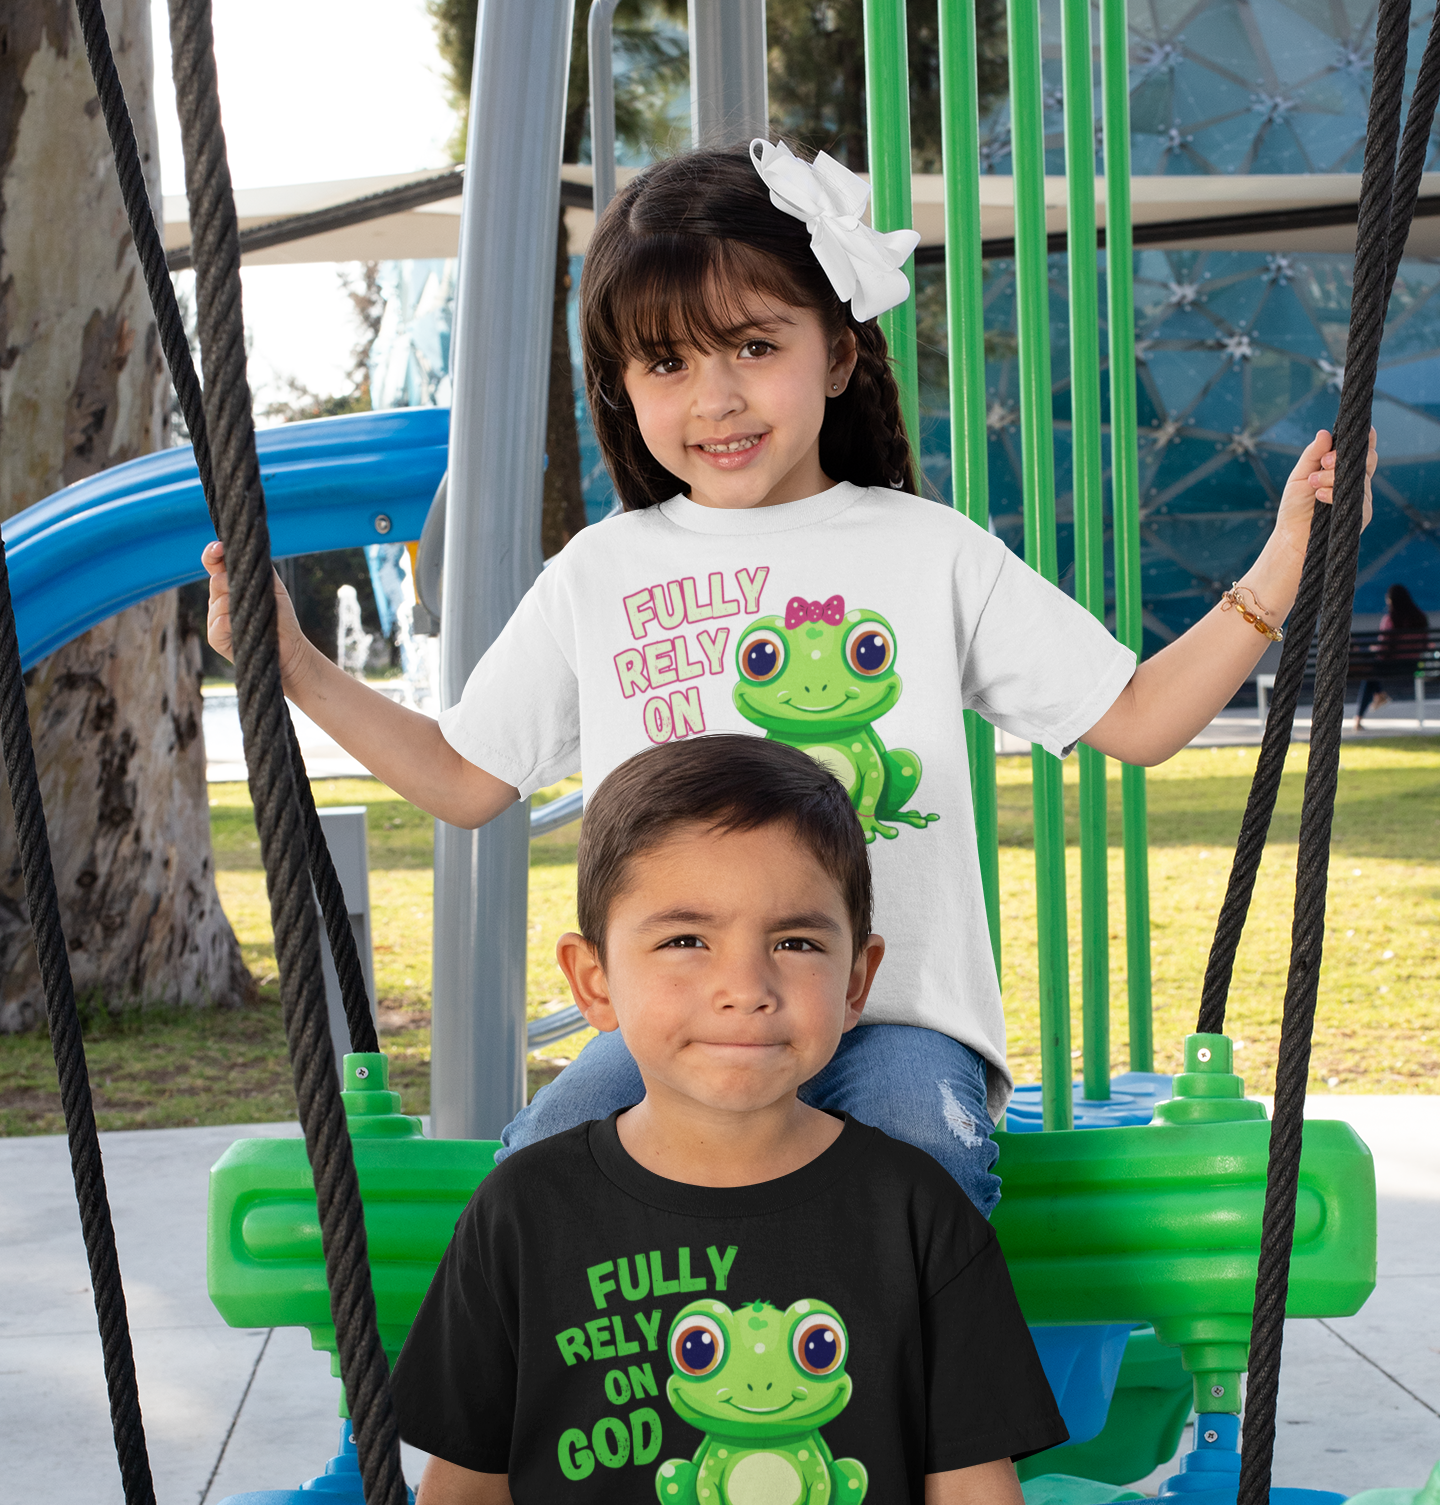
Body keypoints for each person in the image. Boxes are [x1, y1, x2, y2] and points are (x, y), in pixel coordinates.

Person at [202, 139, 1377, 1218]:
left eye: (755, 347)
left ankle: (905, 1440)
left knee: (913, 1154)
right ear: (623, 384)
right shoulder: (603, 572)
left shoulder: (925, 549)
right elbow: (464, 777)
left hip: (894, 1022)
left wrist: (1282, 566)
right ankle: (581, 1442)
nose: (714, 399)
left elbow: (1138, 719)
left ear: (838, 351)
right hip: (670, 1030)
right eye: (666, 362)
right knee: (544, 1173)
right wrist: (293, 664)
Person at [298, 736, 1136, 1505]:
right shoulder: (527, 1213)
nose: (745, 986)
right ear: (593, 979)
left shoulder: (913, 1216)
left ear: (859, 978)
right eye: (684, 940)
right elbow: (465, 1502)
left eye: (795, 942)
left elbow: (972, 1494)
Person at [1357, 581, 1427, 730]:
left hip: (1391, 667)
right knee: (1371, 673)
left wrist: (1374, 649)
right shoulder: (1420, 618)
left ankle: (1365, 711)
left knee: (1369, 673)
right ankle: (1377, 696)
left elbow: (1384, 647)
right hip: (1413, 666)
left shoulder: (1391, 619)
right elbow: (1425, 644)